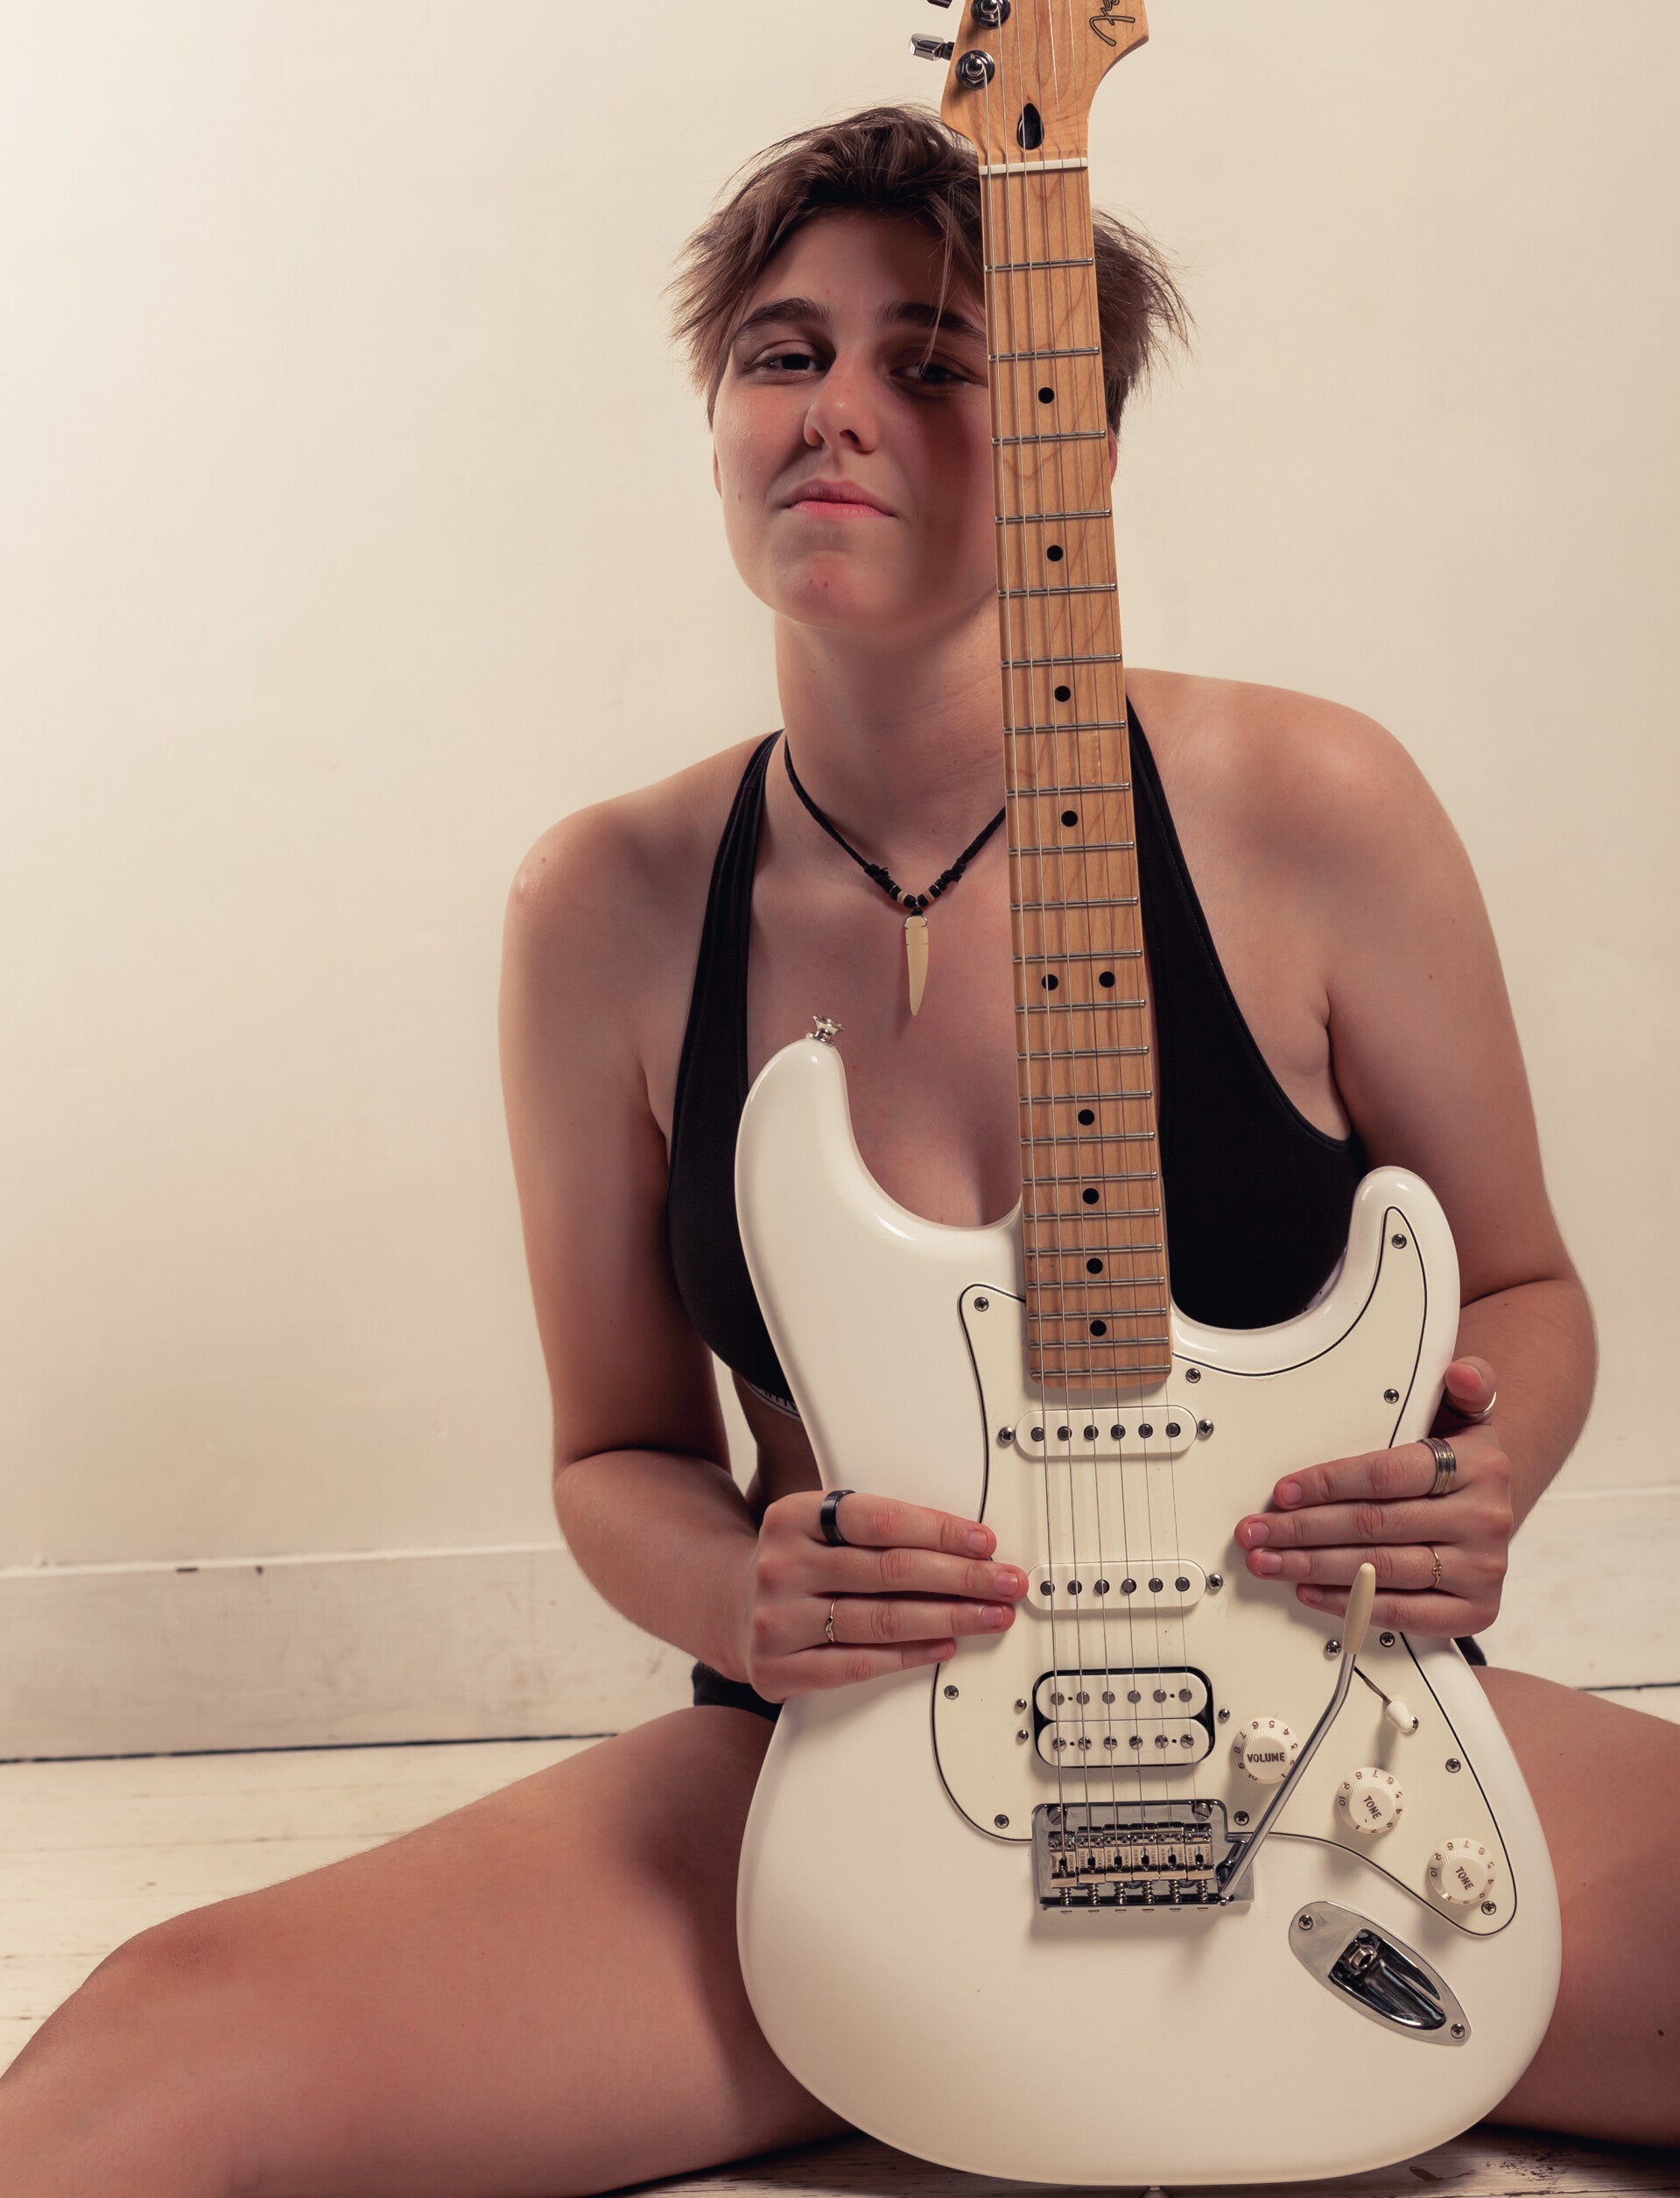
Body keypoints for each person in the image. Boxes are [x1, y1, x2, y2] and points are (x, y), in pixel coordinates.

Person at [1, 106, 1673, 2194]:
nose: (836, 409)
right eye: (780, 354)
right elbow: (617, 1448)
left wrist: (1485, 1473)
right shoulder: (605, 907)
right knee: (140, 2066)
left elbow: (1520, 1283)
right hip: (844, 1776)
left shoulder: (1310, 805)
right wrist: (743, 1586)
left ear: (1075, 448)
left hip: (1337, 1747)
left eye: (934, 360)